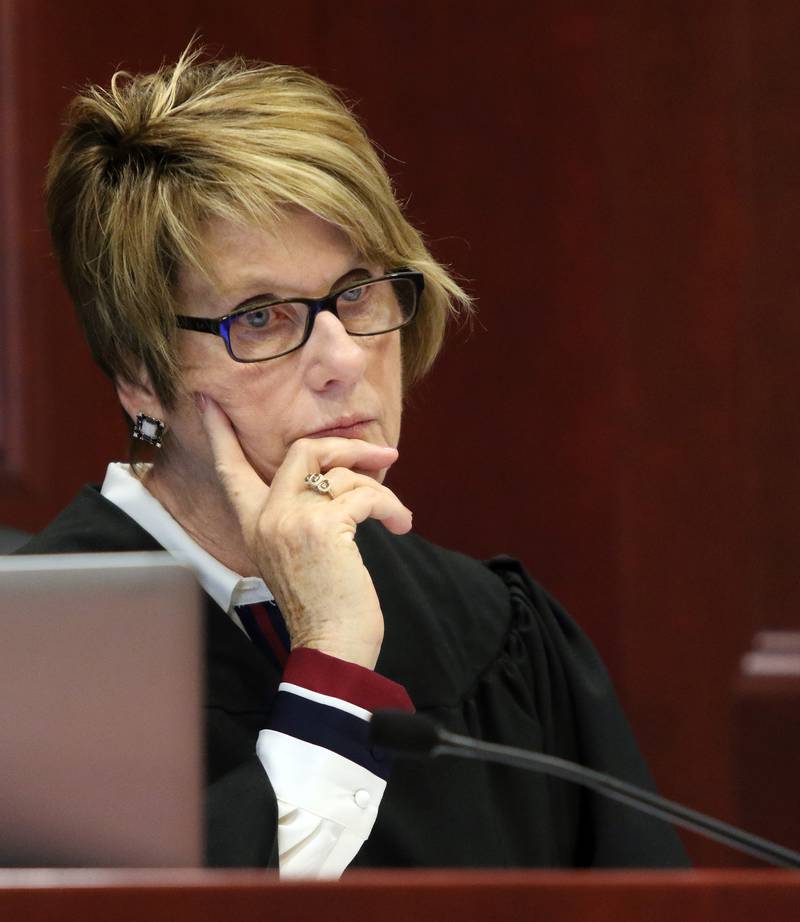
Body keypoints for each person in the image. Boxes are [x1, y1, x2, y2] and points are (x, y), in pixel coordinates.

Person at [20, 48, 688, 874]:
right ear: (139, 378)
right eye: (261, 316)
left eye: (357, 291)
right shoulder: (39, 653)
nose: (342, 356)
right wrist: (331, 663)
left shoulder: (489, 631)